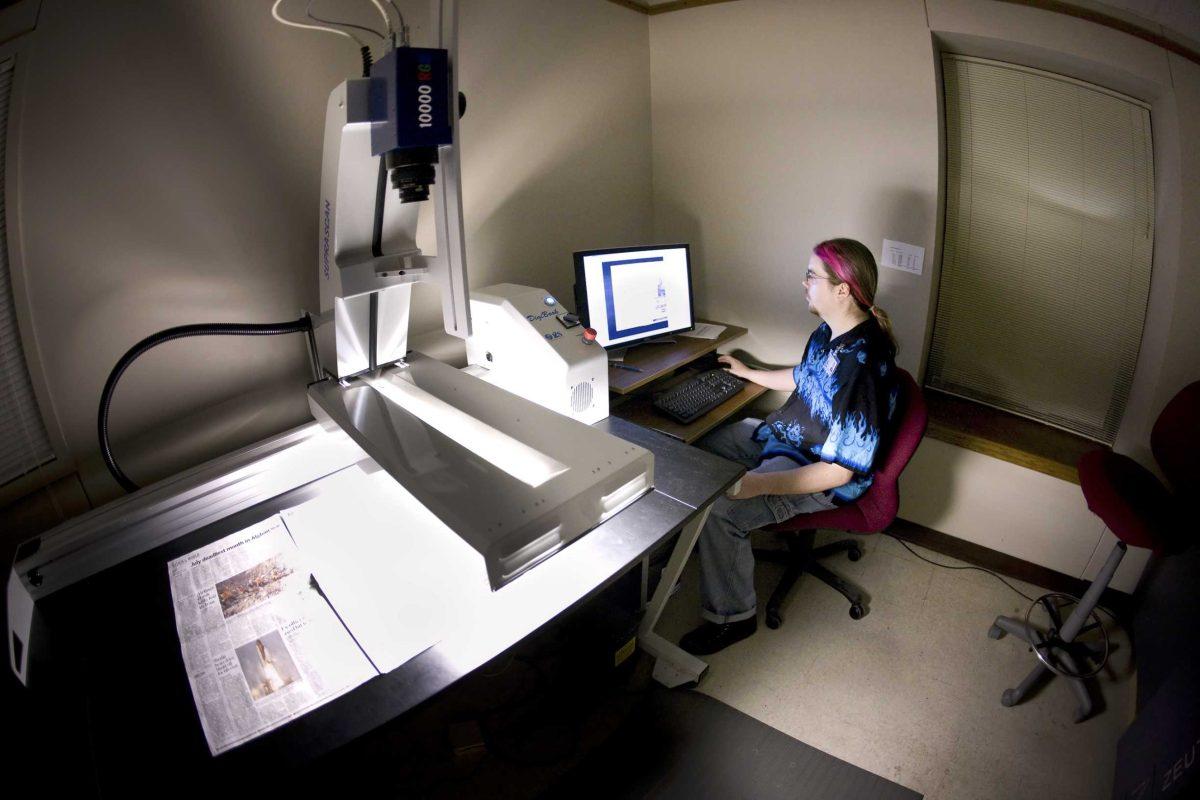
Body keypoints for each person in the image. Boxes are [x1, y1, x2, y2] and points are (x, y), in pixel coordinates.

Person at [680, 238, 900, 656]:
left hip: (820, 474)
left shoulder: (864, 368)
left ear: (842, 289)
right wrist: (751, 372)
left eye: (811, 275)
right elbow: (805, 378)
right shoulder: (830, 332)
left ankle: (733, 618)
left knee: (723, 512)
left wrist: (757, 486)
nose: (803, 283)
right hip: (781, 439)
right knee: (698, 448)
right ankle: (691, 554)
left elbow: (839, 472)